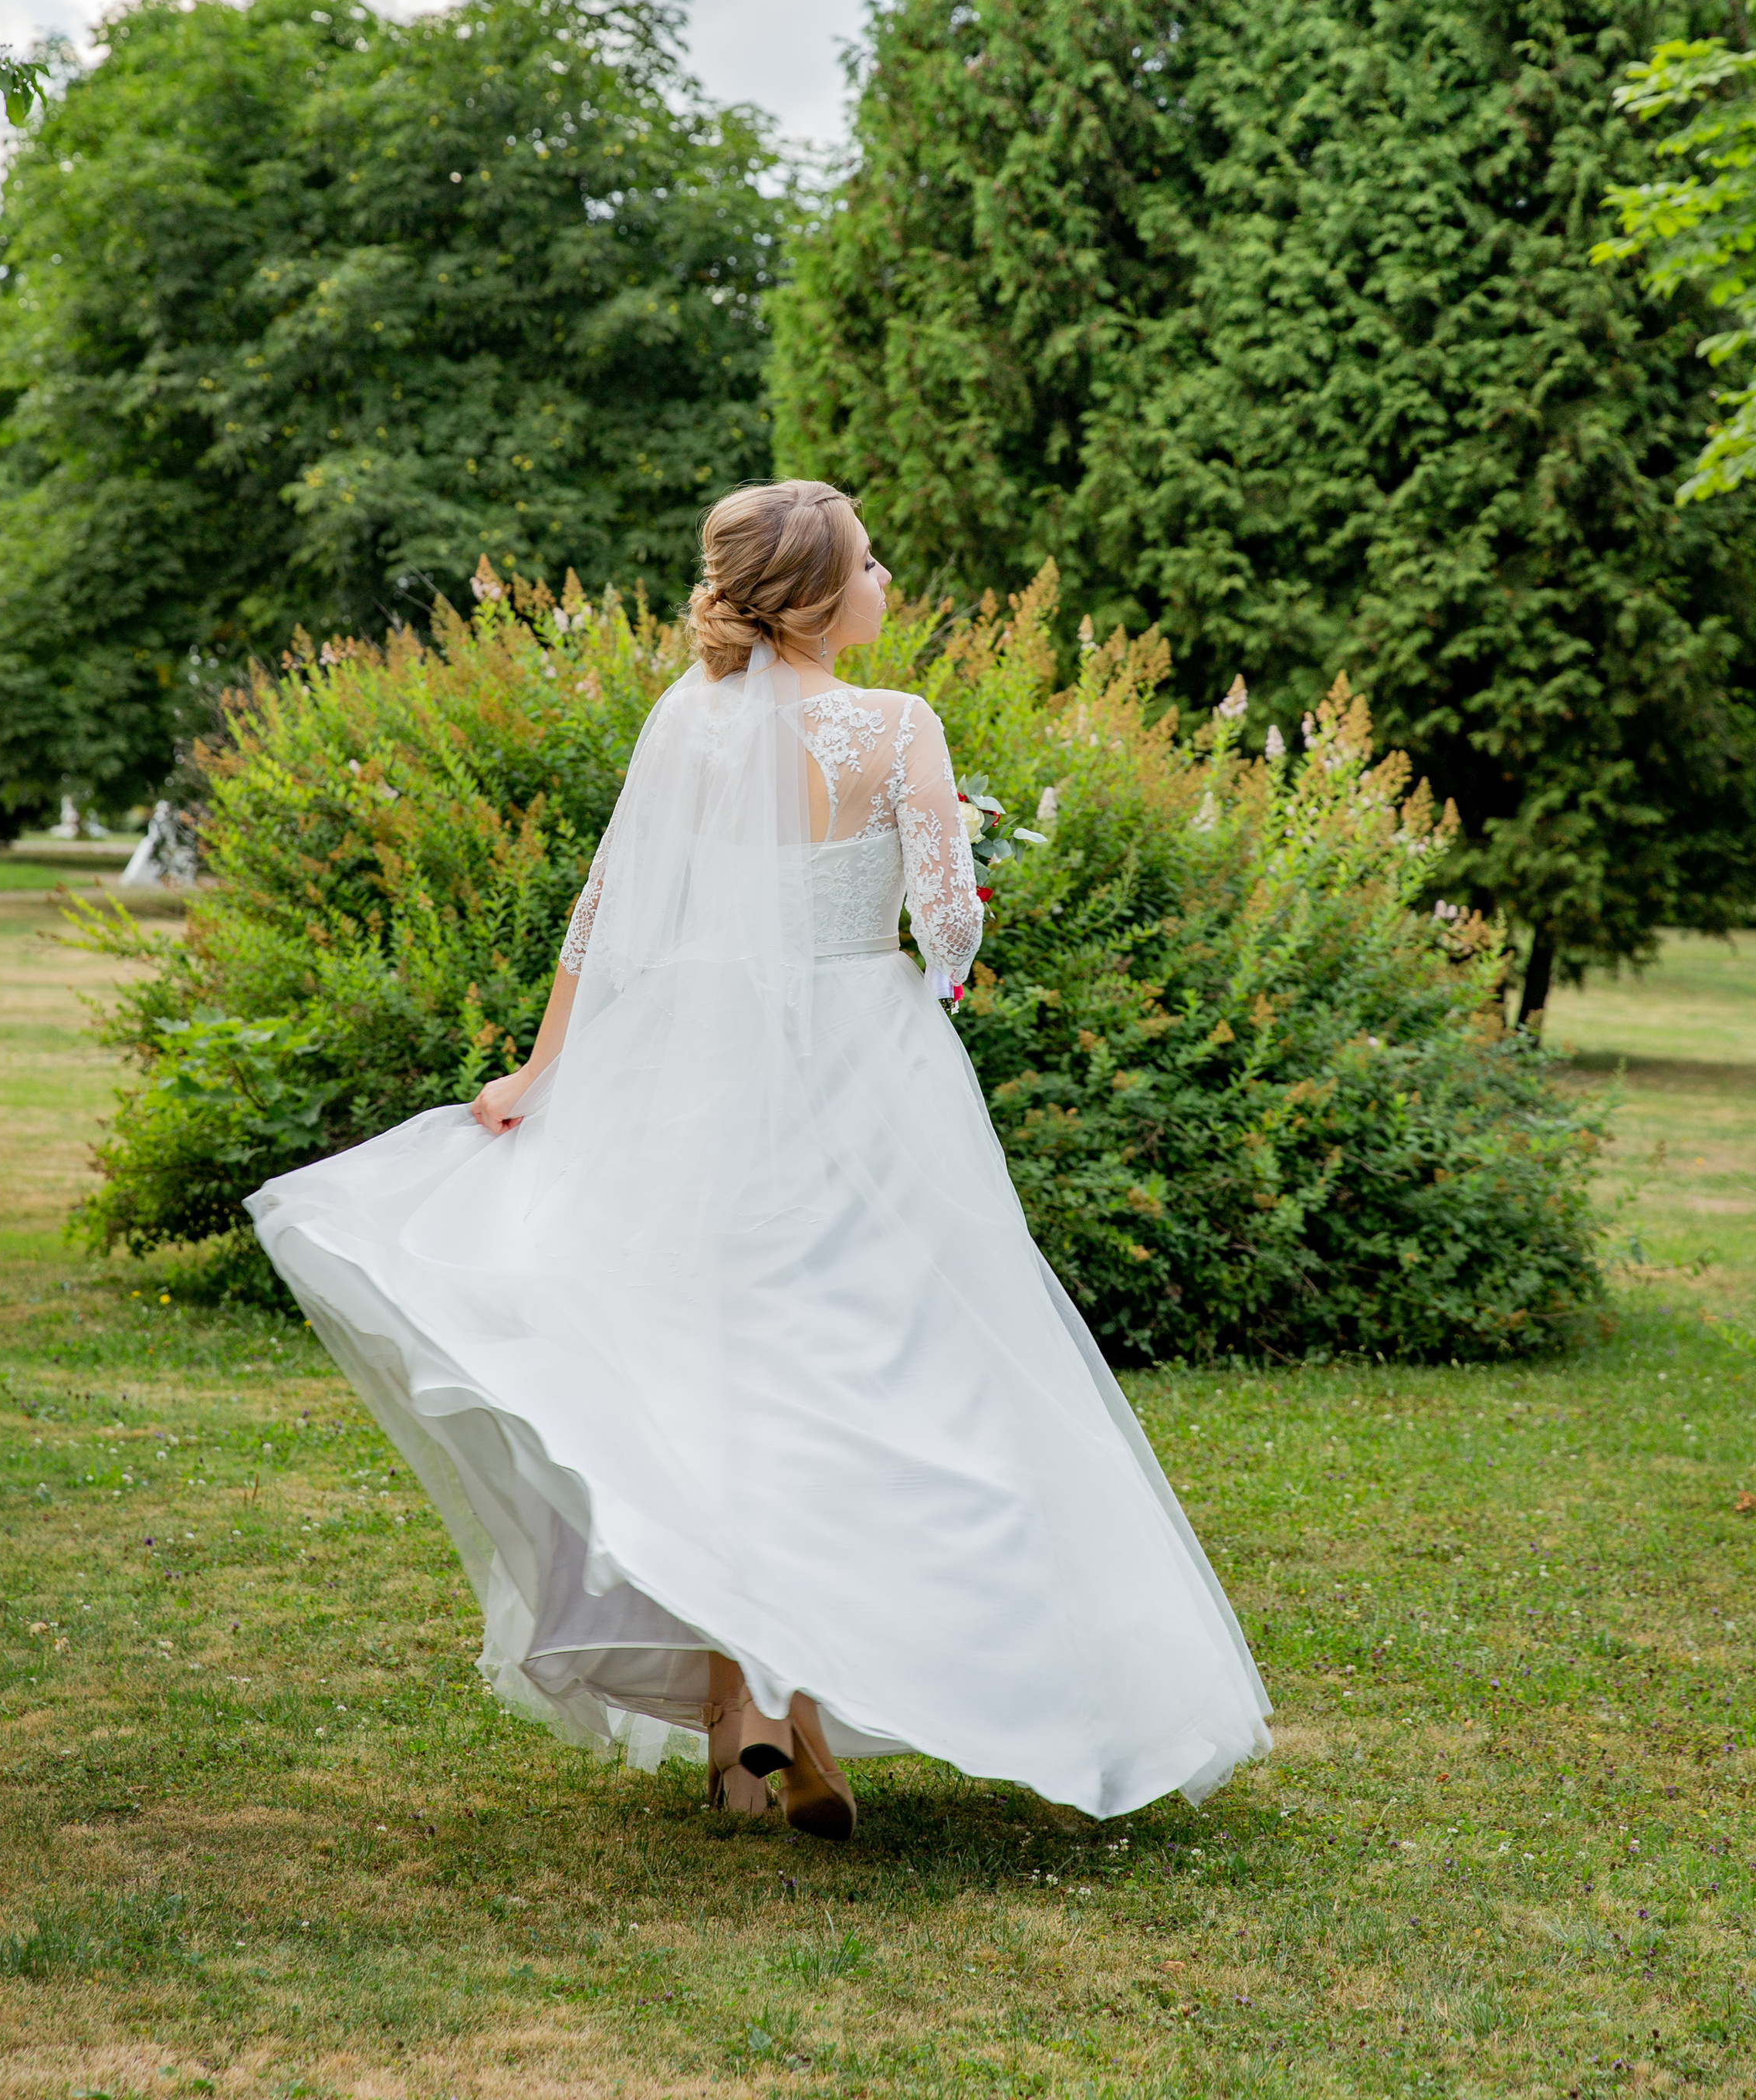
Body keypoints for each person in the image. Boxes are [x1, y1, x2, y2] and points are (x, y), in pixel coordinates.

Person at [249, 479, 1270, 1838]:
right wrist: (957, 846)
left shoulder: (690, 722)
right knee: (882, 1372)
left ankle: (752, 1734)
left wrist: (544, 1070)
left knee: (721, 1381)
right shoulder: (897, 726)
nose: (887, 576)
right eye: (870, 559)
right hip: (863, 1070)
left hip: (696, 1069)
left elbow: (607, 911)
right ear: (819, 596)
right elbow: (949, 936)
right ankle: (807, 1725)